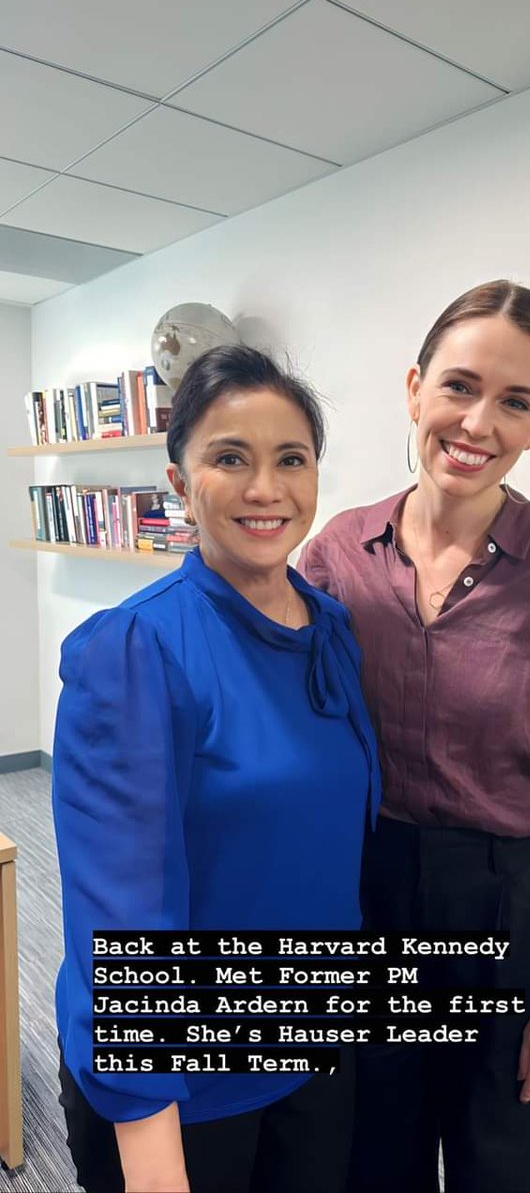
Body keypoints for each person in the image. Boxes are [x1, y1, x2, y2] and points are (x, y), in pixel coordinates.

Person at [298, 280, 530, 1193]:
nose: (478, 421)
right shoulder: (337, 551)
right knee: (376, 1161)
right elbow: (296, 731)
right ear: (414, 388)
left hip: (511, 913)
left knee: (512, 1172)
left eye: (514, 401)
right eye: (458, 386)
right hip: (373, 897)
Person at [52, 345, 381, 1193]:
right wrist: (150, 1141)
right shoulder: (137, 648)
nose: (265, 488)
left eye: (290, 459)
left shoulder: (332, 630)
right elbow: (121, 911)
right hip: (183, 1086)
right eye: (229, 458)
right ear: (178, 480)